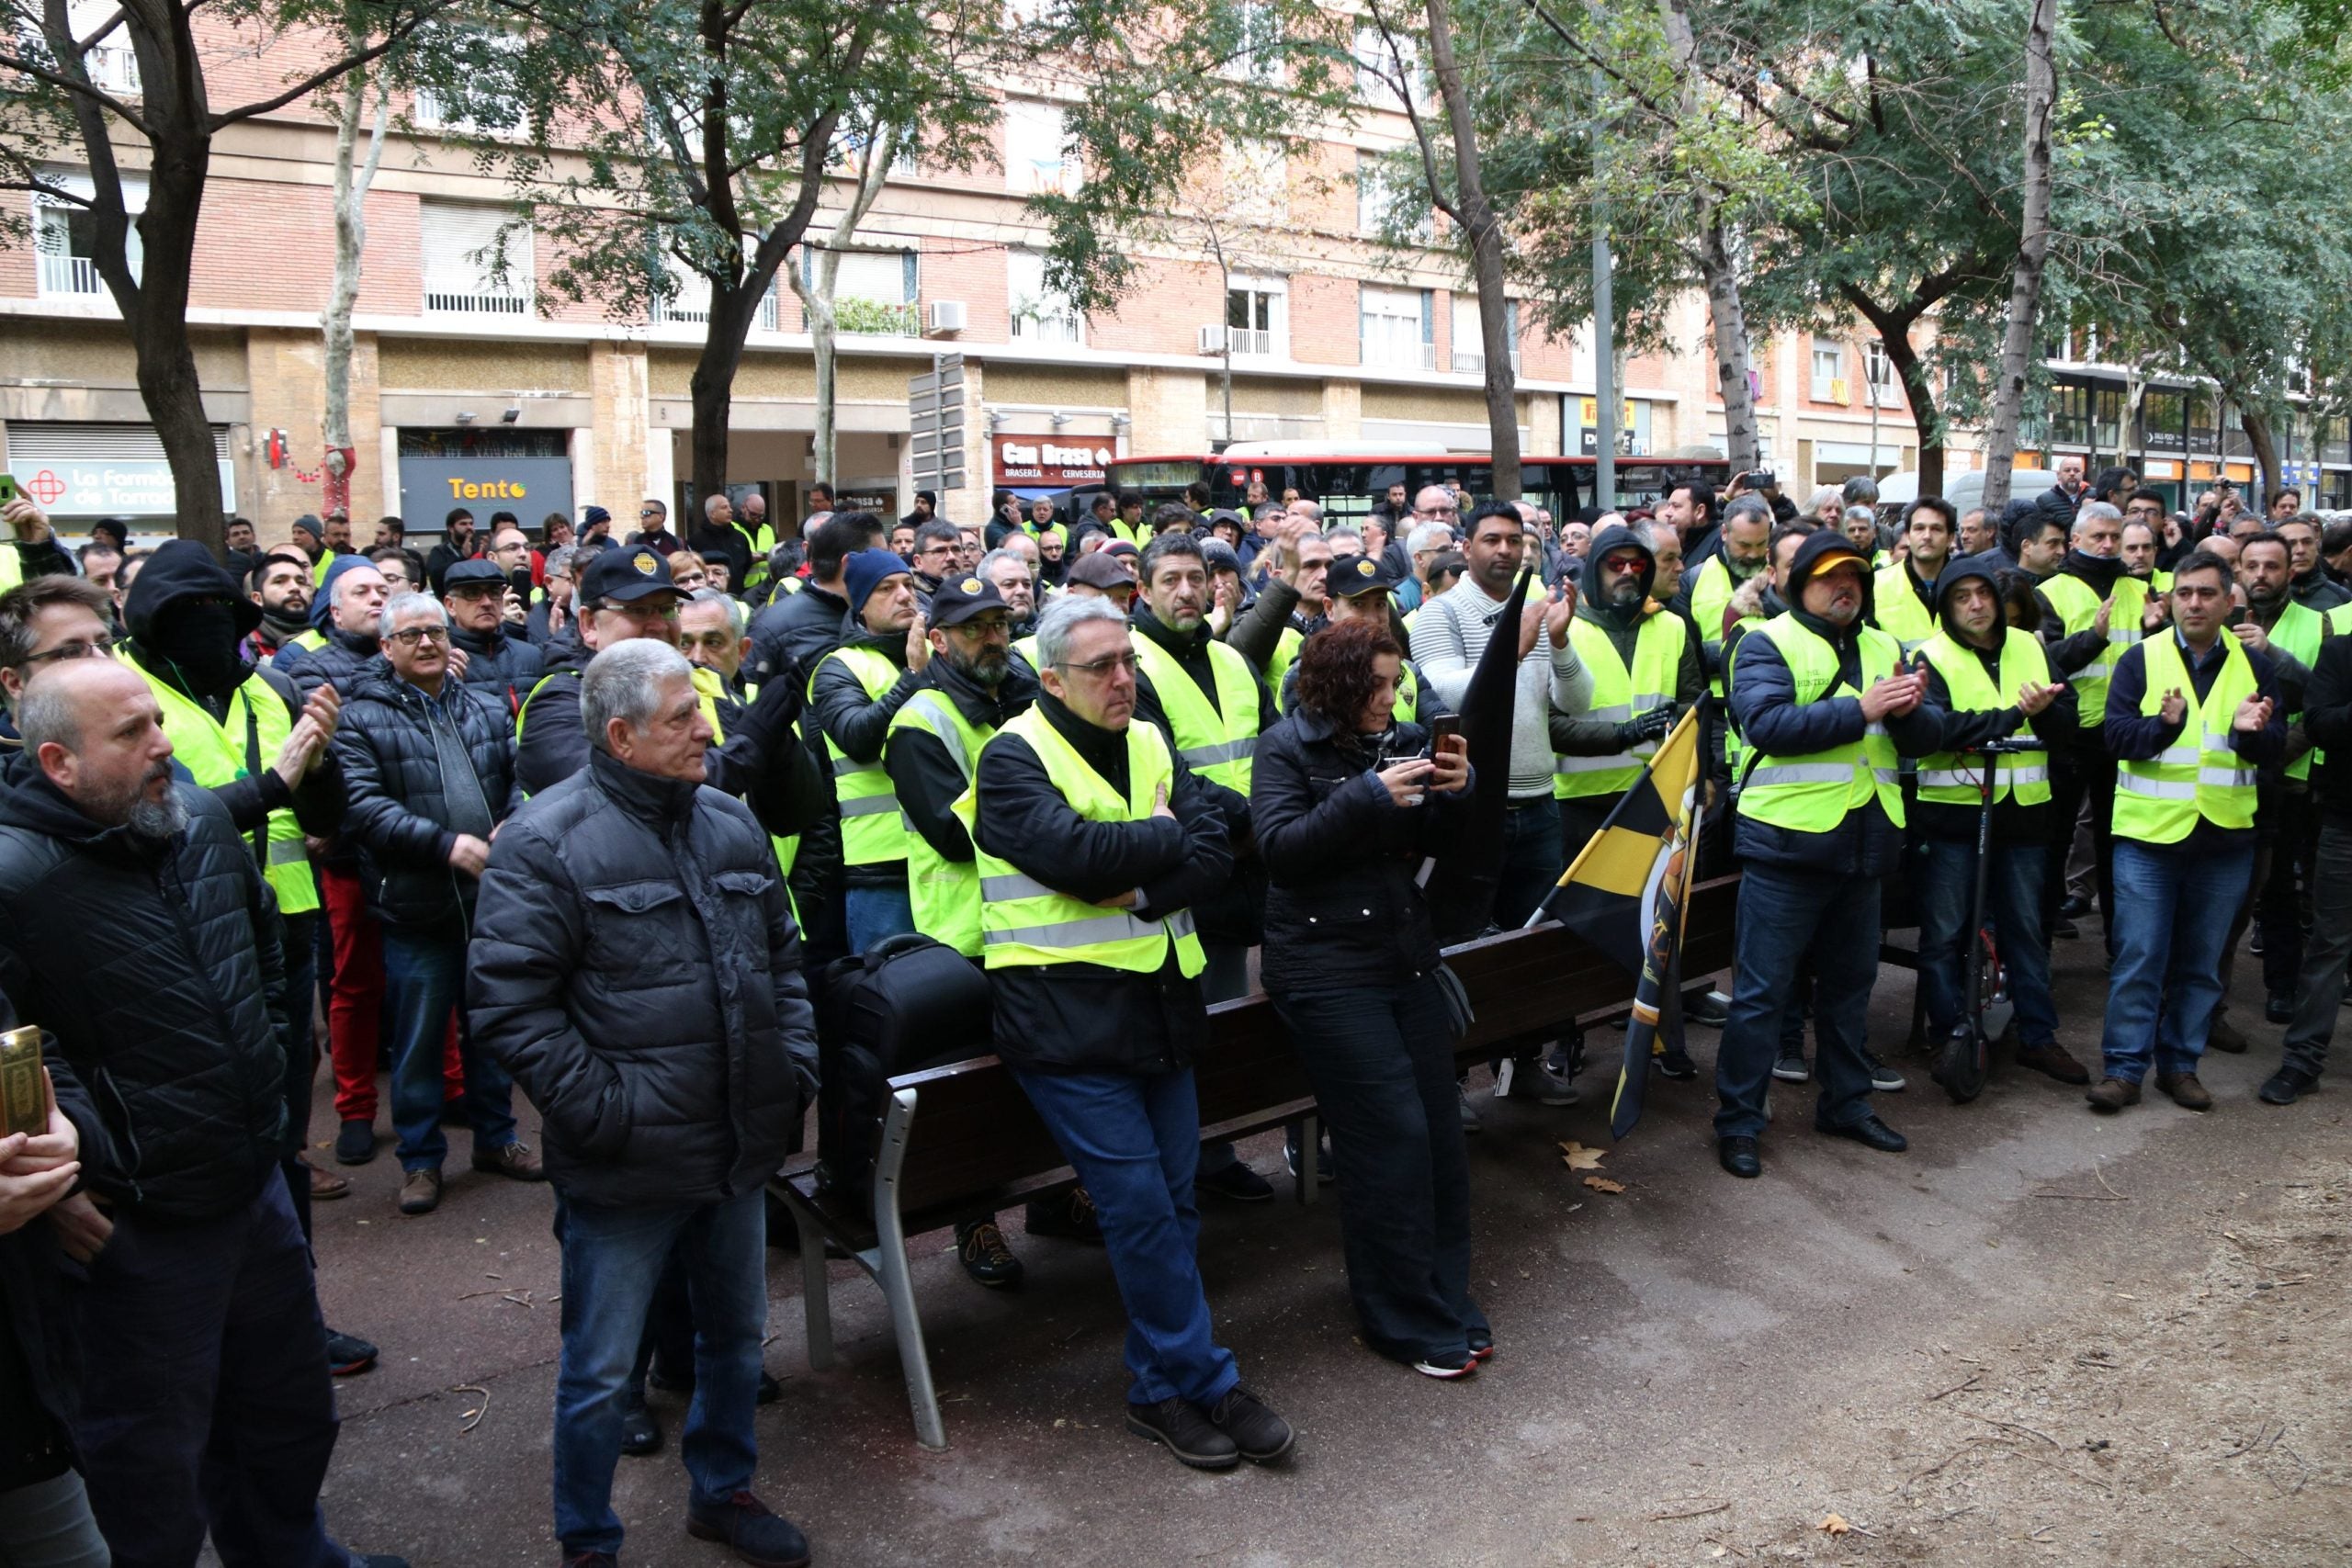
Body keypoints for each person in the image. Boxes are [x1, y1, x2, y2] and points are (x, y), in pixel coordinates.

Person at [0, 659, 406, 1568]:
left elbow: (267, 950)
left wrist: (268, 1101)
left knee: (286, 1414)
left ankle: (292, 1554)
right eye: (134, 732)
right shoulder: (15, 877)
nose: (163, 745)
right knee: (150, 1470)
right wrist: (99, 1167)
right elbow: (18, 1055)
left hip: (252, 1188)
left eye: (158, 720)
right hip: (134, 1230)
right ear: (59, 761)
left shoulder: (200, 823)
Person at [469, 639, 818, 1568]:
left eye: (699, 709)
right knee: (599, 1370)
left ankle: (724, 1493)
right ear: (620, 736)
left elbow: (784, 958)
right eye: (681, 718)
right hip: (625, 1164)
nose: (707, 729)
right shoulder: (544, 842)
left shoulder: (727, 824)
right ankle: (588, 1539)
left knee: (738, 1340)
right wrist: (610, 1113)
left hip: (737, 1144)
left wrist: (795, 1068)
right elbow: (510, 1005)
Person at [964, 593, 1293, 1470]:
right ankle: (1209, 1377)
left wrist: (1146, 878)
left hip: (1158, 1009)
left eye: (1128, 662)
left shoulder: (1149, 738)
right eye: (1102, 667)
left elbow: (1217, 850)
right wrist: (1165, 835)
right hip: (1064, 1022)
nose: (1123, 678)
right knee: (1141, 1207)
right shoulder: (1010, 758)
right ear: (1050, 679)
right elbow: (1073, 857)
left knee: (1176, 1200)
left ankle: (1156, 1388)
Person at [1253, 616, 1483, 1377]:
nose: (1391, 699)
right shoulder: (1286, 746)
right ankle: (1401, 1318)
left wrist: (1459, 790)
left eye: (1396, 682)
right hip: (1324, 970)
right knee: (1390, 1137)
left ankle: (1444, 1294)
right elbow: (1281, 852)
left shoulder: (1406, 737)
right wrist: (1366, 796)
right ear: (1340, 684)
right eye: (1375, 685)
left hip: (1402, 955)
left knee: (1441, 1134)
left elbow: (1447, 845)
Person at [1714, 531, 1936, 1178]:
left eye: (1856, 578)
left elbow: (1921, 736)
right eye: (1830, 578)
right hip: (1786, 847)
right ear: (1795, 584)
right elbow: (1767, 726)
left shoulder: (1886, 645)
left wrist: (1912, 712)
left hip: (1864, 846)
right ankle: (1739, 1122)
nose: (1846, 588)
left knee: (1849, 990)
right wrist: (1862, 707)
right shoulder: (1763, 641)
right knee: (1760, 995)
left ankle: (1846, 1102)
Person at [334, 592, 539, 1216]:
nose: (427, 642)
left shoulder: (481, 705)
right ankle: (421, 1160)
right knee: (420, 1042)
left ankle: (496, 1140)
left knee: (492, 1030)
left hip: (489, 904)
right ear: (386, 647)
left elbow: (519, 775)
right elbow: (364, 809)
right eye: (411, 634)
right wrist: (445, 845)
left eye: (435, 631)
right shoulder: (360, 718)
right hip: (417, 909)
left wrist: (515, 821)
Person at [2091, 550, 2283, 1112]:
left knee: (2201, 963)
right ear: (2171, 599)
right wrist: (2164, 726)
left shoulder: (2255, 666)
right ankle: (2124, 1070)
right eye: (2184, 593)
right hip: (2149, 838)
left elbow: (2275, 751)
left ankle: (2180, 1067)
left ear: (2229, 602)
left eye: (2205, 594)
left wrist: (2251, 734)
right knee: (2141, 957)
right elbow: (2117, 739)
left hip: (2224, 838)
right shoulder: (2140, 659)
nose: (2193, 603)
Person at [1906, 557, 2085, 1089]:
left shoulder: (2031, 646)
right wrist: (2011, 717)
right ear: (1945, 606)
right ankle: (1949, 1035)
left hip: (2025, 815)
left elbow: (2067, 722)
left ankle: (2038, 1036)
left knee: (2026, 929)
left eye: (1981, 594)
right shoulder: (1928, 656)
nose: (1976, 605)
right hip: (1953, 817)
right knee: (1943, 932)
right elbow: (1934, 727)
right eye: (1961, 597)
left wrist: (2045, 713)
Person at [810, 548, 931, 951]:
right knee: (890, 996)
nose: (904, 596)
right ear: (860, 605)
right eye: (886, 588)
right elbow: (858, 739)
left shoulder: (936, 652)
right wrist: (914, 676)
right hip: (881, 867)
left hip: (945, 855)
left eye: (908, 585)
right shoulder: (838, 666)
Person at [2272, 622, 2352, 1103]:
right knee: (2329, 945)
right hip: (2346, 823)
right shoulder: (2341, 651)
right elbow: (2319, 724)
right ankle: (2302, 1060)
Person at [441, 558, 545, 716]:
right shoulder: (444, 662)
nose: (487, 602)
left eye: (494, 593)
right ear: (450, 605)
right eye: (473, 593)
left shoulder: (530, 655)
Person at [1872, 498, 1957, 653]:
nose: (1927, 536)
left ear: (1950, 538)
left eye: (1936, 529)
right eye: (1919, 528)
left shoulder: (1965, 585)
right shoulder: (1876, 584)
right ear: (1908, 535)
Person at [246, 547, 323, 664]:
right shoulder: (244, 644)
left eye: (300, 582)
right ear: (257, 598)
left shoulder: (330, 634)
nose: (295, 588)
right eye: (280, 581)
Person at [2274, 513, 2349, 613]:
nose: (2300, 550)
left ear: (2317, 547)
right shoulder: (2265, 596)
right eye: (2291, 544)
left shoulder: (2342, 598)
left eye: (2307, 542)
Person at [424, 507, 477, 596]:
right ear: (451, 528)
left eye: (471, 524)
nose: (469, 527)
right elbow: (436, 576)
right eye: (463, 524)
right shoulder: (440, 551)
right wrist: (463, 557)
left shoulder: (478, 548)